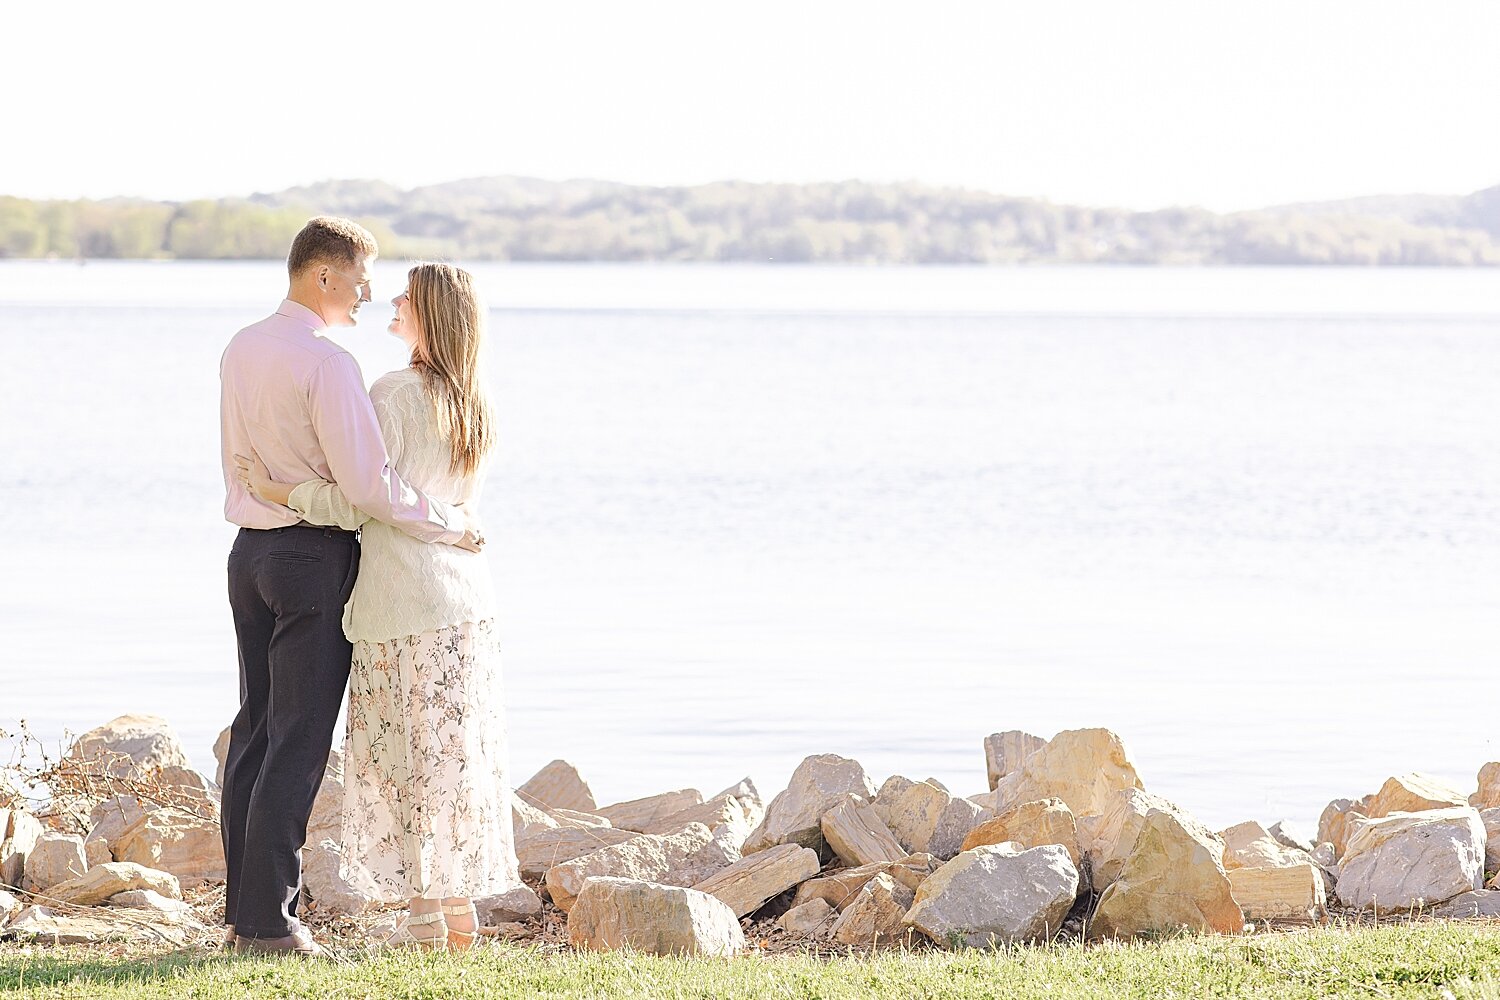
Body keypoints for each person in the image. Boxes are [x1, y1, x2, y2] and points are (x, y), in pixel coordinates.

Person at [237, 262, 520, 951]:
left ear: (433, 315)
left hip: (405, 606)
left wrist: (281, 493)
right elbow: (445, 505)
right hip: (467, 603)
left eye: (407, 297)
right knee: (454, 760)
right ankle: (456, 919)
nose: (391, 300)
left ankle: (424, 923)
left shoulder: (393, 393)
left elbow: (365, 499)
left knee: (409, 761)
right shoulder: (475, 402)